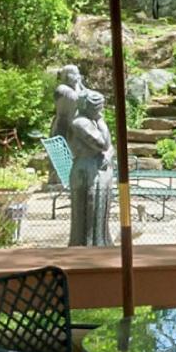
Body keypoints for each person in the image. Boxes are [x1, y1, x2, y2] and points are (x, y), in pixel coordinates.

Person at [54, 63, 115, 247]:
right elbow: (102, 143)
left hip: (97, 168)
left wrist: (108, 155)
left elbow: (109, 146)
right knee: (87, 213)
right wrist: (100, 121)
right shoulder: (81, 123)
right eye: (99, 108)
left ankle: (101, 241)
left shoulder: (91, 120)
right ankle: (86, 246)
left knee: (99, 211)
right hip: (86, 171)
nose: (101, 111)